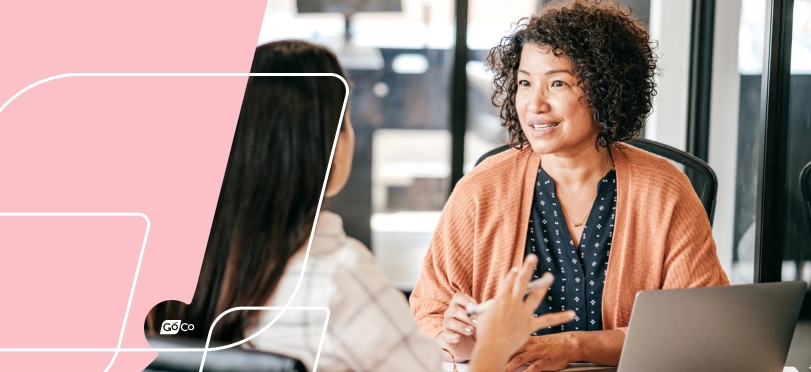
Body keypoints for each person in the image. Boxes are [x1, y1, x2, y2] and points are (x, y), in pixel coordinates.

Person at [145, 40, 574, 372]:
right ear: (326, 145)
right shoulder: (338, 276)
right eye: (348, 119)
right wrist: (494, 345)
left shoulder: (174, 272)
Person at [409, 1, 730, 371]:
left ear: (605, 89)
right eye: (525, 83)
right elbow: (428, 315)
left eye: (557, 83)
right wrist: (461, 343)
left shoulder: (664, 190)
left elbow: (697, 329)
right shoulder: (481, 190)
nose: (534, 104)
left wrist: (573, 346)